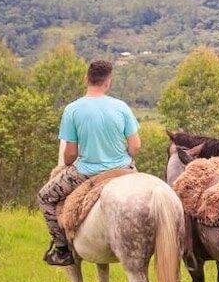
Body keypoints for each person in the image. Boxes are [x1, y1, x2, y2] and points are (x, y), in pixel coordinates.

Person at [37, 60, 141, 266]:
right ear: (108, 82)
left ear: (86, 79)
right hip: (123, 169)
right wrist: (121, 158)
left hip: (87, 172)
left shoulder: (72, 110)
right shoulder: (121, 107)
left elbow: (70, 153)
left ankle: (61, 249)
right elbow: (136, 146)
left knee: (45, 197)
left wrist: (68, 163)